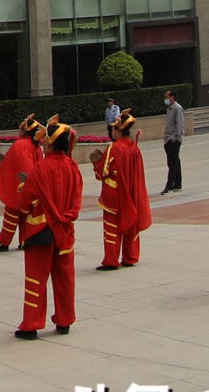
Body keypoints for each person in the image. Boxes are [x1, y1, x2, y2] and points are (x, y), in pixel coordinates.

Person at [15, 117, 82, 339]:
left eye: (45, 140)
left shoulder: (41, 168)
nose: (42, 143)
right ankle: (65, 321)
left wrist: (23, 189)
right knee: (65, 278)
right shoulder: (73, 167)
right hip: (65, 231)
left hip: (41, 231)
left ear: (51, 142)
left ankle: (32, 324)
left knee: (36, 278)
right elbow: (76, 201)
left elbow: (25, 203)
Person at [93, 112, 152, 270]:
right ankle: (130, 256)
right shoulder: (134, 147)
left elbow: (101, 173)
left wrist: (96, 162)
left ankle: (111, 260)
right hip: (132, 192)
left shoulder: (114, 148)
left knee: (112, 227)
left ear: (118, 130)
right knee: (131, 223)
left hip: (114, 195)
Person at [0, 116, 42, 253]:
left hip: (18, 186)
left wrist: (1, 164)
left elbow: (16, 166)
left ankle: (3, 242)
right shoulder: (36, 146)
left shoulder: (20, 145)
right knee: (25, 215)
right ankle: (24, 240)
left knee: (11, 214)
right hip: (30, 187)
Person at [160, 90, 186, 194]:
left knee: (173, 162)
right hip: (168, 139)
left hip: (173, 139)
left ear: (172, 97)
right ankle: (178, 184)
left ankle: (169, 186)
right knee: (174, 161)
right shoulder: (169, 109)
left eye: (167, 97)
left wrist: (175, 138)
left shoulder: (177, 108)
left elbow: (180, 124)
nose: (166, 99)